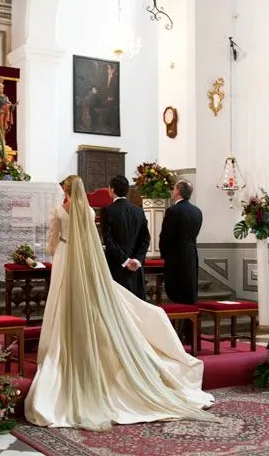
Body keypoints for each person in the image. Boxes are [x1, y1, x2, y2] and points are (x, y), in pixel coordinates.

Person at [24, 176, 215, 430]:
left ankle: (63, 349)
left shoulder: (61, 210)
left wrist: (42, 254)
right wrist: (134, 259)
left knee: (63, 302)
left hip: (66, 261)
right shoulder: (92, 211)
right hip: (99, 266)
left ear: (66, 191)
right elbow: (122, 241)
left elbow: (54, 244)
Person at [100, 175, 150, 300]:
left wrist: (125, 261)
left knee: (118, 306)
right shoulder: (139, 211)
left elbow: (108, 240)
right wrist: (137, 260)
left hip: (116, 266)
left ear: (111, 190)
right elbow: (145, 239)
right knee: (136, 305)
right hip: (136, 269)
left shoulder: (107, 211)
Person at [159, 179, 203, 306]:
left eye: (174, 188)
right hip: (191, 254)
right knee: (189, 291)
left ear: (178, 191)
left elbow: (167, 236)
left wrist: (164, 254)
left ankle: (176, 322)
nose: (173, 191)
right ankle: (188, 324)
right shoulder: (197, 211)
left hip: (176, 256)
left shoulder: (173, 211)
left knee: (176, 292)